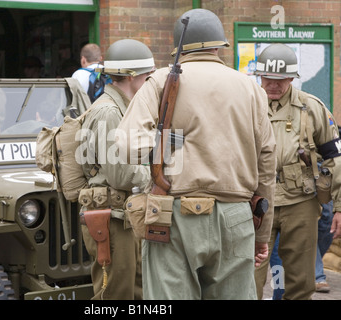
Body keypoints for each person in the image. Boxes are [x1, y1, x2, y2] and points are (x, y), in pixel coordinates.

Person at [116, 8, 277, 300]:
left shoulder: (159, 80)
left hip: (174, 215)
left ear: (178, 45)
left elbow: (127, 144)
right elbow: (267, 161)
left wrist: (171, 142)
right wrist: (262, 232)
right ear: (219, 46)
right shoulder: (250, 88)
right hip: (236, 216)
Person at [254, 43, 341, 300]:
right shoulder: (247, 104)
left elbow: (335, 158)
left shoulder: (311, 107)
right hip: (256, 201)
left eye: (281, 79)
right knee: (247, 277)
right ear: (260, 76)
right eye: (269, 78)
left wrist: (339, 207)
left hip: (300, 202)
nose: (274, 85)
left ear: (292, 78)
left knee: (301, 282)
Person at [77, 39, 155, 300]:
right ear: (131, 77)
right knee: (115, 294)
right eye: (147, 77)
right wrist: (156, 174)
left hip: (122, 215)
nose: (149, 83)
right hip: (110, 218)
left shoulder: (122, 108)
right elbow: (120, 174)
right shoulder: (110, 112)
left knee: (136, 291)